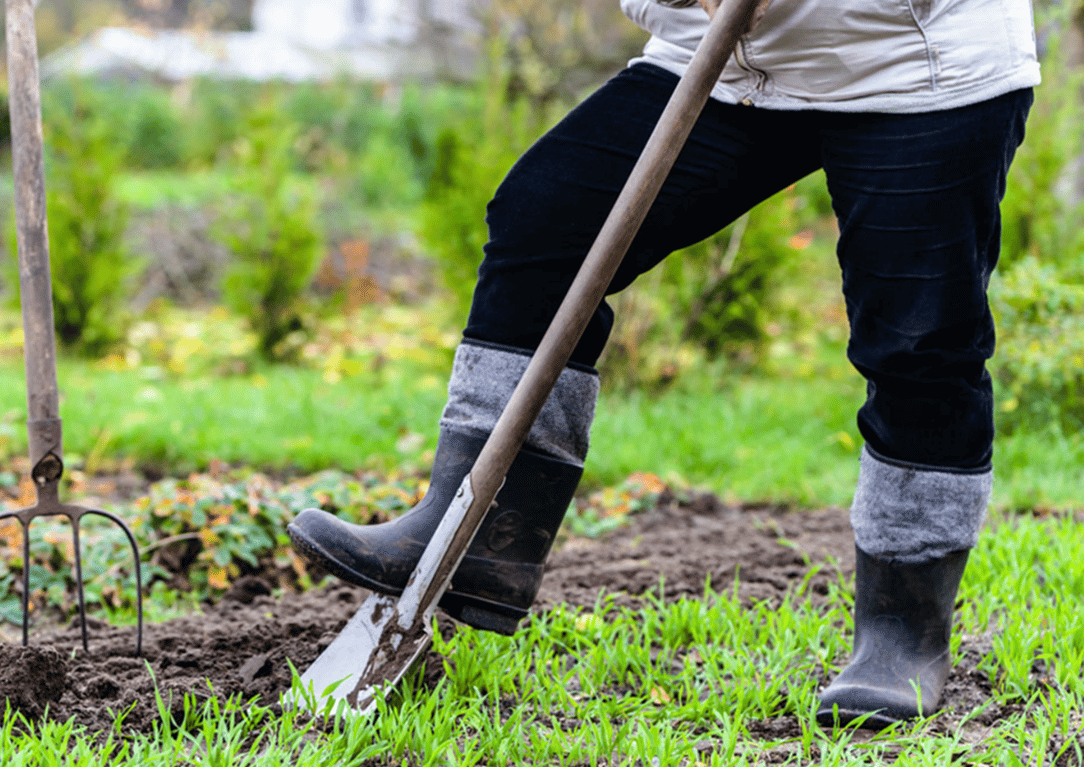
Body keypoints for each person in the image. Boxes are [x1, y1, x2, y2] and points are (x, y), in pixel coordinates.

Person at [287, 0, 1039, 728]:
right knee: (547, 220)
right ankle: (481, 528)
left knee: (916, 337)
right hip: (723, 65)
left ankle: (902, 629)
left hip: (914, 66)